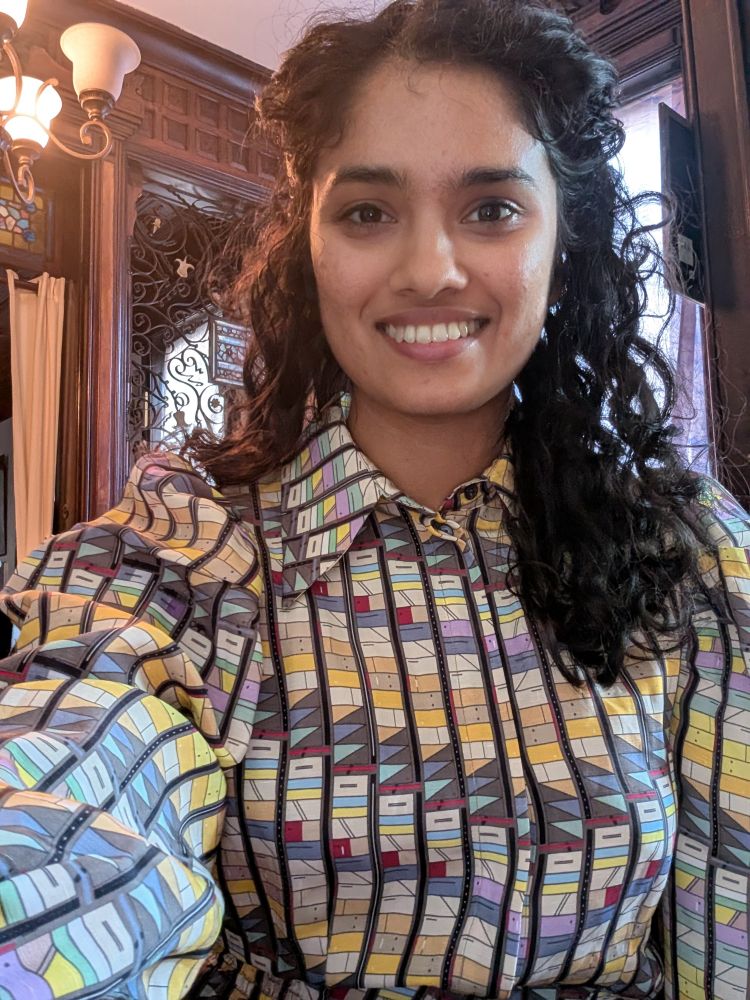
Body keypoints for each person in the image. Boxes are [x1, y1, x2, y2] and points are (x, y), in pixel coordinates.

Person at [0, 0, 747, 997]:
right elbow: (72, 779)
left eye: (490, 209)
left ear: (564, 251)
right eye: (367, 211)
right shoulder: (179, 562)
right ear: (310, 246)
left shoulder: (692, 563)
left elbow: (726, 938)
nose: (428, 269)